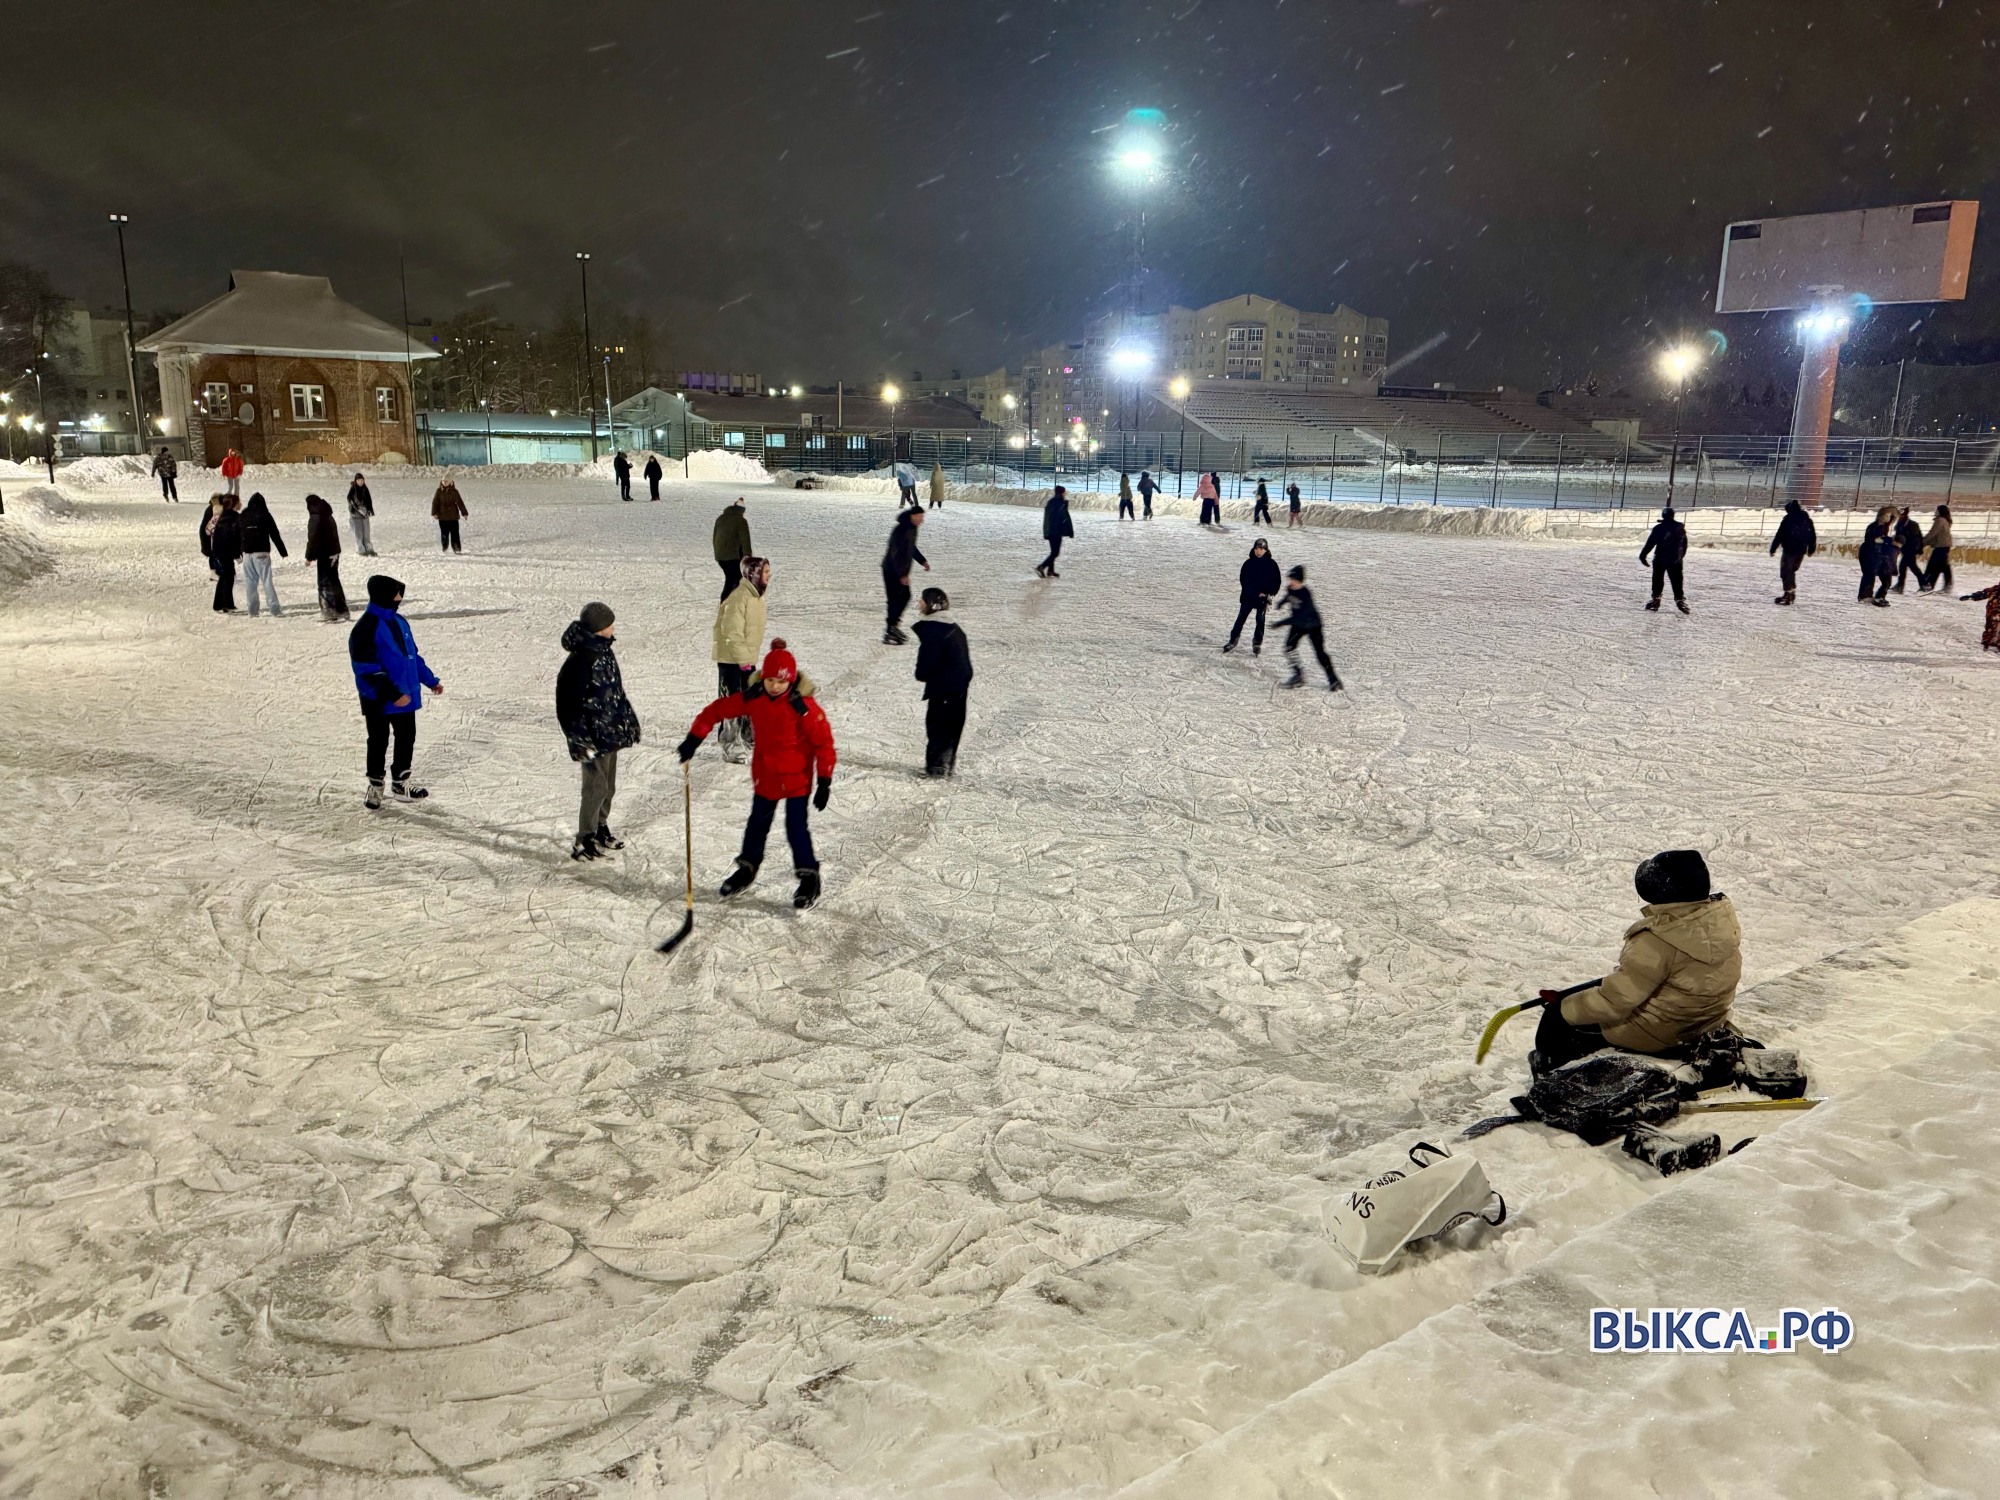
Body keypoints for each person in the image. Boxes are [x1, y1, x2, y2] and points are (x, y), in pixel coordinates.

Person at [1531, 850, 1741, 1071]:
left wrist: (1564, 1005)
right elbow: (1664, 976)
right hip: (1704, 1023)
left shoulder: (1657, 939)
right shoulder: (1719, 921)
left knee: (1556, 1018)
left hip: (1662, 1034)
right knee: (1584, 1000)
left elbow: (1617, 1002)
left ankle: (1553, 1074)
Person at [678, 638, 836, 909]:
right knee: (757, 825)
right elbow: (716, 710)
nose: (775, 686)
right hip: (766, 775)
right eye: (770, 680)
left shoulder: (803, 707)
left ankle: (809, 876)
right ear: (762, 677)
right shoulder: (754, 698)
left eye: (781, 682)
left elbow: (824, 743)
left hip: (796, 778)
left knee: (796, 829)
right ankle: (747, 867)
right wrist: (694, 738)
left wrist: (824, 780)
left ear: (791, 681)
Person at [556, 601, 641, 860]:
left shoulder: (604, 651)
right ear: (597, 629)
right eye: (609, 624)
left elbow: (615, 693)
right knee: (595, 788)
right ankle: (585, 839)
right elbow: (567, 703)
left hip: (609, 733)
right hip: (591, 737)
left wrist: (628, 720)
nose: (612, 627)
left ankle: (600, 827)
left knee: (608, 787)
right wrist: (579, 739)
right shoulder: (581, 659)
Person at [349, 574, 442, 808]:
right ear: (384, 595)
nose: (400, 597)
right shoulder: (365, 628)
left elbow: (412, 657)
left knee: (405, 740)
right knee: (378, 741)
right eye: (396, 593)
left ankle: (401, 785)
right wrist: (393, 694)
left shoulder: (400, 622)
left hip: (405, 696)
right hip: (379, 698)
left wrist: (429, 680)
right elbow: (367, 670)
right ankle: (375, 786)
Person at [713, 555, 771, 761]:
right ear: (752, 574)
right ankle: (729, 746)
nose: (768, 575)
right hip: (731, 658)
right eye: (765, 572)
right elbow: (731, 632)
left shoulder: (756, 596)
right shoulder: (739, 598)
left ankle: (749, 738)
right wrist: (742, 660)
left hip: (746, 657)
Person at [913, 587, 972, 776]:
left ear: (931, 604)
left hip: (945, 686)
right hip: (959, 686)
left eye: (922, 600)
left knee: (939, 726)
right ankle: (946, 764)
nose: (919, 603)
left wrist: (923, 674)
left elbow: (925, 666)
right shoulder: (951, 625)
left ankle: (938, 768)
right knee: (952, 725)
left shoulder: (934, 629)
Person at [1274, 564, 1342, 690]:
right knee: (1289, 647)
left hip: (1312, 625)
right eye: (1290, 579)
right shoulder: (1291, 588)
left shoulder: (1305, 595)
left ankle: (1333, 680)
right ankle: (1298, 675)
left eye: (1293, 579)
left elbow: (1298, 616)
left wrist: (1280, 623)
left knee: (1319, 653)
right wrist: (1281, 603)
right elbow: (1289, 596)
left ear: (1299, 580)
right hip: (1299, 625)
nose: (1291, 582)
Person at [1224, 538, 1282, 655]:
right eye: (1256, 549)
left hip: (1262, 599)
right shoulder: (1248, 563)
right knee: (1240, 619)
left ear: (1266, 550)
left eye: (1261, 549)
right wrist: (1254, 592)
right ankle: (1233, 640)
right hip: (1248, 597)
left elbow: (1276, 581)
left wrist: (1268, 593)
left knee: (1260, 621)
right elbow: (1244, 580)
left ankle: (1257, 642)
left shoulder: (1272, 565)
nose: (1258, 551)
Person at [882, 507, 930, 643]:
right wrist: (902, 574)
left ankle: (892, 627)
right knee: (896, 598)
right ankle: (891, 628)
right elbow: (895, 553)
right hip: (891, 570)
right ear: (913, 516)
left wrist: (922, 561)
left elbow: (911, 548)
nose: (922, 520)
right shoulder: (901, 530)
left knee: (903, 596)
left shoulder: (912, 528)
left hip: (897, 570)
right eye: (920, 516)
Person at [237, 492, 289, 616]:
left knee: (250, 581)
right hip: (262, 553)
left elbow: (239, 534)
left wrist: (240, 551)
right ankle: (274, 609)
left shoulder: (243, 515)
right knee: (266, 580)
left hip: (247, 553)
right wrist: (283, 551)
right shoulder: (265, 515)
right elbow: (274, 534)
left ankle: (253, 611)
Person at [304, 494, 349, 621]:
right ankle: (341, 610)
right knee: (334, 581)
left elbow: (313, 539)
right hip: (334, 552)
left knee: (324, 583)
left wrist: (309, 557)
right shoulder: (327, 514)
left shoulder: (315, 518)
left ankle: (328, 611)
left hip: (325, 554)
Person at [1639, 505, 1689, 614]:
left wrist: (1643, 555)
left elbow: (1650, 543)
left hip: (1660, 558)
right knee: (1677, 580)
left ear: (1663, 515)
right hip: (1675, 559)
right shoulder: (1680, 528)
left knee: (1657, 579)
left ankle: (1656, 599)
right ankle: (1680, 599)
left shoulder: (1659, 528)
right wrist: (1680, 557)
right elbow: (1684, 545)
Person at [1769, 497, 1817, 606]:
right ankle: (1791, 592)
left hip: (1789, 550)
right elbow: (1812, 535)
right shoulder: (1807, 520)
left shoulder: (1788, 519)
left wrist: (1773, 548)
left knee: (1786, 571)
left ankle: (1788, 594)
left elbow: (1780, 535)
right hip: (1801, 550)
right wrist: (1811, 549)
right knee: (1791, 571)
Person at [202, 494, 243, 613]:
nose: (241, 504)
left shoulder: (223, 515)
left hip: (220, 551)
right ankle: (225, 604)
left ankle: (220, 604)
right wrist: (236, 554)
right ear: (234, 504)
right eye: (239, 502)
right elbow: (232, 537)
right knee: (228, 577)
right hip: (225, 552)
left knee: (225, 577)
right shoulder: (233, 517)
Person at [713, 497, 752, 599]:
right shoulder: (741, 521)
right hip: (732, 556)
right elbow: (745, 541)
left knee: (732, 578)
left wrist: (718, 553)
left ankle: (730, 602)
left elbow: (714, 537)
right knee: (734, 579)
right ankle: (726, 603)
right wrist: (748, 557)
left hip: (720, 556)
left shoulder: (720, 518)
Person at [1857, 505, 1895, 607]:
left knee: (1874, 574)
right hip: (1868, 553)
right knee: (1869, 574)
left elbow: (1893, 518)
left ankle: (1873, 595)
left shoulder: (1884, 527)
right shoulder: (1873, 526)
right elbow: (1869, 540)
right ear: (1881, 516)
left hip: (1877, 554)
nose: (1888, 518)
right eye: (1887, 515)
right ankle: (1864, 596)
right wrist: (1878, 540)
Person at [1036, 485, 1073, 578]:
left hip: (1050, 530)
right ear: (1062, 493)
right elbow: (1065, 518)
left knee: (1053, 551)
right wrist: (1070, 531)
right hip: (1056, 531)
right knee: (1055, 553)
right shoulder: (1059, 503)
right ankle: (1042, 567)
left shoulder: (1052, 502)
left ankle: (1050, 570)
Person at [1919, 504, 1954, 594]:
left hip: (1941, 546)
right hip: (1942, 546)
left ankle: (1931, 585)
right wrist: (1925, 543)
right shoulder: (1945, 520)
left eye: (1937, 510)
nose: (1935, 512)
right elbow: (1936, 536)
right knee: (1941, 566)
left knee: (1935, 567)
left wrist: (1922, 542)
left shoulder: (1940, 521)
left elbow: (1932, 534)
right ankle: (1946, 584)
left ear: (1940, 511)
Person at [1958, 580, 2000, 652]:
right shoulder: (1995, 589)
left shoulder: (1994, 589)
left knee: (1993, 629)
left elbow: (1983, 593)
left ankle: (1993, 644)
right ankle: (1988, 644)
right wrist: (1971, 596)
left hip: (1993, 613)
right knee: (1990, 628)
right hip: (1992, 614)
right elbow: (1983, 594)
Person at [1893, 506, 1926, 593]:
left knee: (1908, 567)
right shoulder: (1900, 524)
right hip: (1905, 549)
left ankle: (1923, 584)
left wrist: (1918, 550)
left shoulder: (1912, 525)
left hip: (1911, 550)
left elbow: (1918, 538)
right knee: (1907, 567)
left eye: (1898, 514)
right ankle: (1923, 584)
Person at [432, 477, 468, 553]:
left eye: (446, 481)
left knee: (455, 533)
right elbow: (435, 503)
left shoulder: (454, 492)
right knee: (444, 533)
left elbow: (460, 503)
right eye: (443, 481)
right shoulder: (439, 491)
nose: (445, 482)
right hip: (442, 517)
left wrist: (464, 513)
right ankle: (444, 546)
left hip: (453, 516)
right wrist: (434, 513)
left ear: (450, 482)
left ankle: (456, 547)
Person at [346, 472, 378, 555]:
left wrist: (369, 510)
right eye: (359, 480)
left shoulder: (365, 489)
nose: (360, 482)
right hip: (356, 515)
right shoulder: (353, 490)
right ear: (355, 481)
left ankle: (368, 548)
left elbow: (369, 500)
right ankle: (360, 548)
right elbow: (351, 501)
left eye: (362, 480)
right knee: (358, 533)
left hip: (365, 514)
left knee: (366, 532)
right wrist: (356, 508)